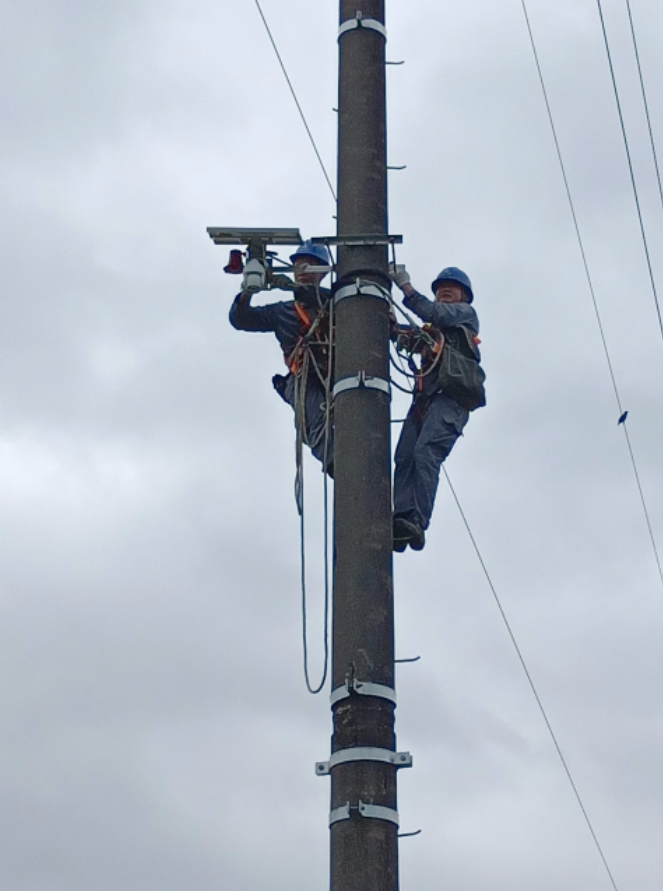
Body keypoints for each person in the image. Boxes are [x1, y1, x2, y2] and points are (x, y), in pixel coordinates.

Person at [390, 265, 484, 551]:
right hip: (424, 401)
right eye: (441, 286)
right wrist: (390, 323)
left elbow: (435, 313)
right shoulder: (433, 331)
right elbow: (409, 337)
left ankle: (416, 521)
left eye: (452, 287)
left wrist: (405, 287)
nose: (445, 289)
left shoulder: (464, 316)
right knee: (404, 457)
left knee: (425, 453)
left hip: (450, 401)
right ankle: (402, 519)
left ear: (464, 296)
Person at [229, 240, 334, 473]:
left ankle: (353, 464)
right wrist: (247, 291)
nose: (303, 272)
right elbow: (241, 319)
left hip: (337, 373)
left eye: (310, 266)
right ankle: (338, 465)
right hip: (303, 376)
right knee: (309, 421)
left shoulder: (338, 303)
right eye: (299, 266)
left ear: (323, 272)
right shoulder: (283, 312)